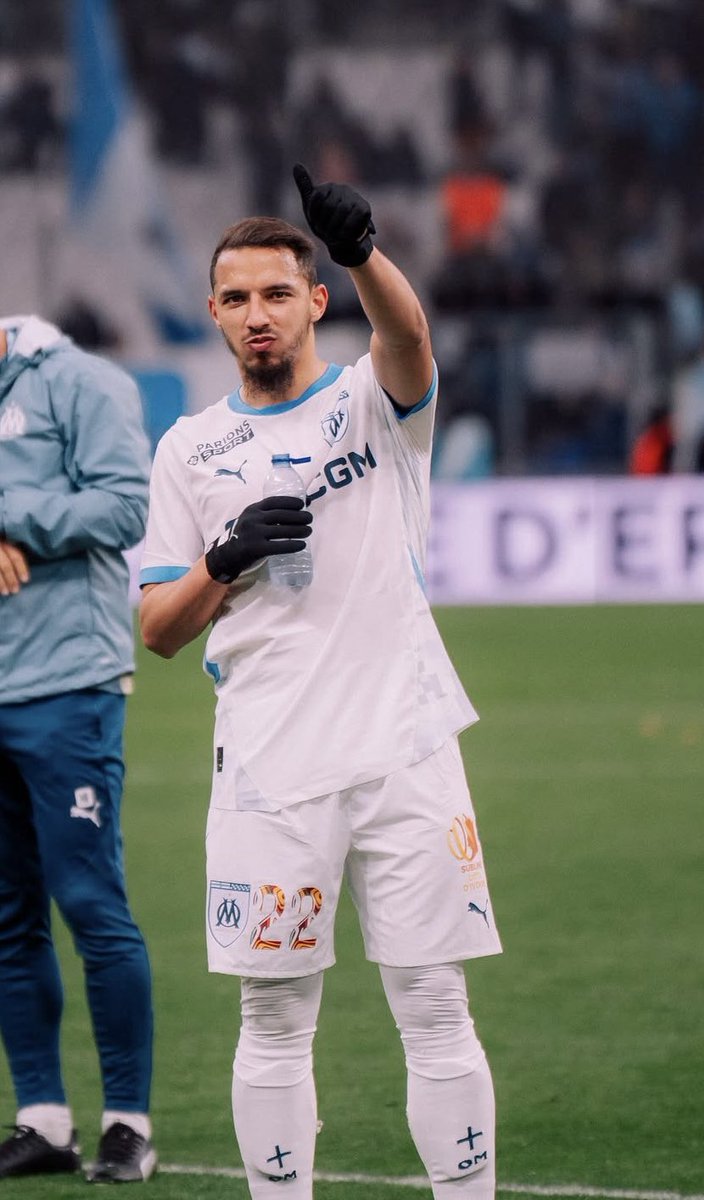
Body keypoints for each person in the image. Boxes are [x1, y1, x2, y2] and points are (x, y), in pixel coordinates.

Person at [139, 165, 502, 1199]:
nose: (258, 314)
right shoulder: (191, 450)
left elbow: (414, 342)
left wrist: (363, 249)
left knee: (434, 1005)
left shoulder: (371, 404)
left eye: (277, 293)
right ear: (213, 312)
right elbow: (159, 629)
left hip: (406, 748)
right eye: (238, 298)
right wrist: (222, 559)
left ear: (316, 302)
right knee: (274, 1017)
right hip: (269, 766)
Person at [0, 315, 157, 1183]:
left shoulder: (81, 381)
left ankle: (128, 1123)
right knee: (8, 917)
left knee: (91, 906)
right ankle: (45, 1121)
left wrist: (11, 513)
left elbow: (126, 505)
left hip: (66, 686)